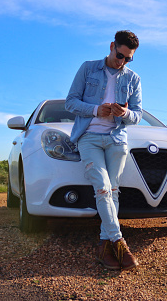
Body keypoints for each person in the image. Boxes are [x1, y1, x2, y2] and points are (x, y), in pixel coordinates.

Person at [65, 30, 142, 270]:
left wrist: (125, 113)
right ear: (111, 46)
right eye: (120, 55)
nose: (123, 62)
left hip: (117, 138)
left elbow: (137, 115)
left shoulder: (133, 79)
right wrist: (96, 110)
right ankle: (119, 241)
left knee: (113, 191)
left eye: (128, 59)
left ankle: (103, 246)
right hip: (89, 137)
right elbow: (70, 102)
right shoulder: (88, 69)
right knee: (102, 187)